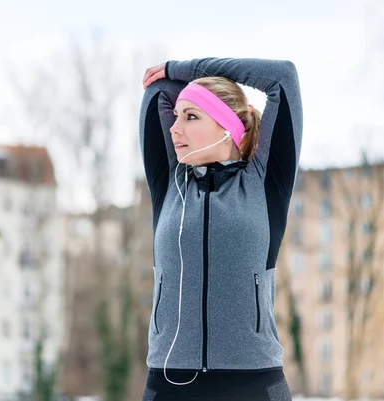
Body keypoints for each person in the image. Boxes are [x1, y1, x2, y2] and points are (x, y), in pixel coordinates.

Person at [138, 57, 303, 401]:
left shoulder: (264, 182)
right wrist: (176, 78)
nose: (174, 128)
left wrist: (181, 67)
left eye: (191, 117)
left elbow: (281, 77)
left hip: (253, 383)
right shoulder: (170, 182)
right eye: (176, 116)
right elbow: (158, 89)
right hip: (170, 383)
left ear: (228, 127)